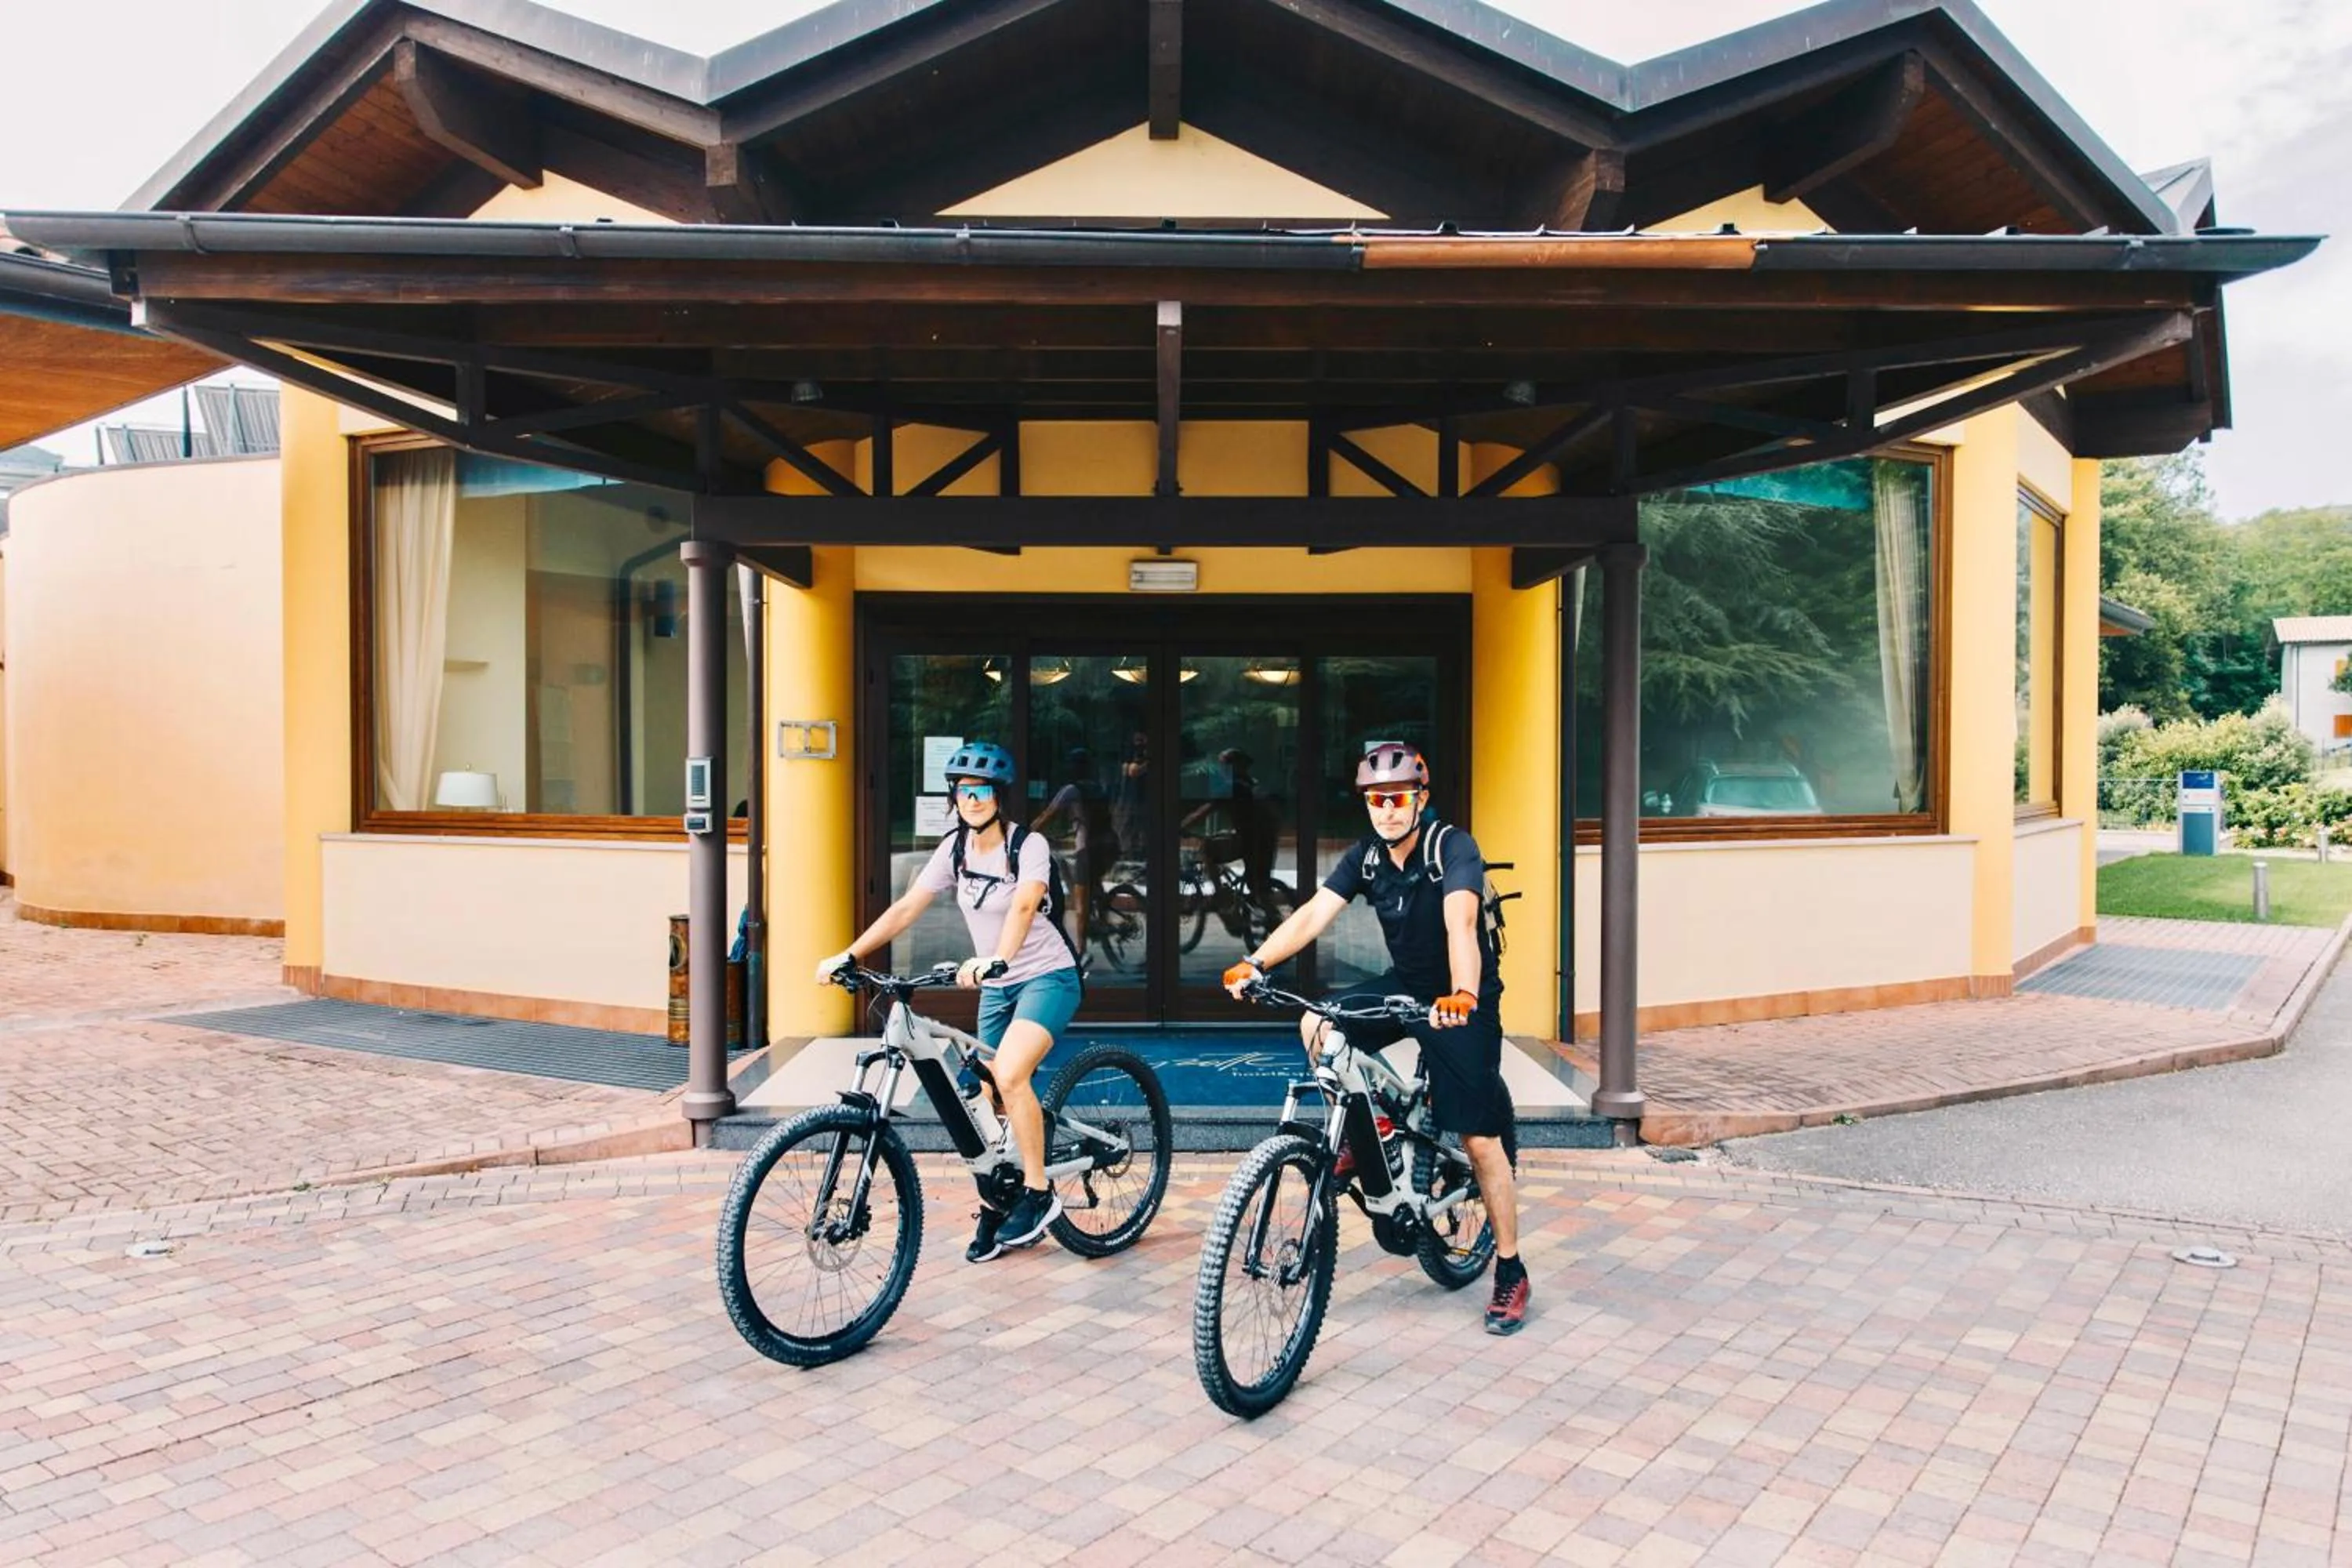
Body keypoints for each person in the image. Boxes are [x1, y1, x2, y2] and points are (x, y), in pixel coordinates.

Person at [1221, 742, 1529, 1335]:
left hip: (1461, 1002)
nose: (1386, 810)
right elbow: (1314, 913)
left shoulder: (1452, 849)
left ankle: (1511, 1271)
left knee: (1481, 1139)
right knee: (1317, 1024)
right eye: (1374, 800)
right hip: (1405, 987)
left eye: (1397, 798)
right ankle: (1367, 1135)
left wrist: (1463, 995)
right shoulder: (1366, 858)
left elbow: (1460, 923)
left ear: (1420, 798)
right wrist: (1255, 961)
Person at [816, 741, 1081, 1263]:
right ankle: (998, 1198)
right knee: (980, 1092)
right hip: (997, 987)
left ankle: (1037, 1194)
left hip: (1046, 978)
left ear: (999, 797)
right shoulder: (954, 848)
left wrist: (999, 958)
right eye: (964, 791)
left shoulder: (1028, 846)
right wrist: (848, 953)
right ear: (953, 797)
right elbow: (908, 906)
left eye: (983, 791)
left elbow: (1026, 904)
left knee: (1008, 1074)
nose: (973, 799)